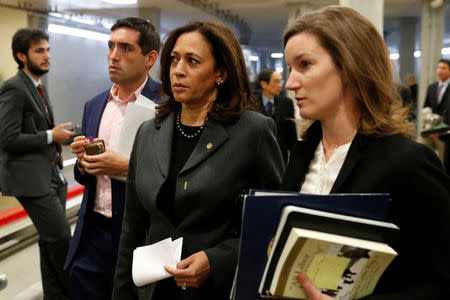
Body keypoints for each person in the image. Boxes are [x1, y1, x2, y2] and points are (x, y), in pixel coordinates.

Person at [282, 6, 450, 299]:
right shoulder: (302, 154)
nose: (290, 83)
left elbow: (438, 279)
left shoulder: (409, 163)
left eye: (305, 64)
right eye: (290, 69)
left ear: (350, 66)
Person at [112, 20, 284, 300]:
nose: (178, 70)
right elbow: (132, 227)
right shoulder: (149, 132)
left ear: (221, 73)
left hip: (216, 289)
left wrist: (217, 259)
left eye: (192, 61)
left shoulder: (253, 131)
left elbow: (274, 223)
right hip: (153, 290)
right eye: (174, 60)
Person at [64, 17, 162, 299]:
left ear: (149, 58)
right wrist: (84, 162)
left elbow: (179, 174)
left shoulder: (167, 105)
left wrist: (127, 168)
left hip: (140, 234)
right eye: (110, 46)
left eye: (126, 48)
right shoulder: (94, 105)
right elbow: (87, 176)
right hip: (92, 233)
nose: (114, 55)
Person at [0, 28, 74, 299]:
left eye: (48, 50)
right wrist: (49, 135)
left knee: (49, 239)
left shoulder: (37, 86)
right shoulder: (14, 87)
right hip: (29, 179)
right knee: (60, 236)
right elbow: (6, 138)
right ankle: (69, 292)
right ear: (22, 56)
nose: (47, 56)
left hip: (49, 173)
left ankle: (55, 294)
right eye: (39, 51)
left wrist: (56, 135)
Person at [255, 68, 297, 163]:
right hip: (257, 157)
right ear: (264, 84)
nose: (280, 85)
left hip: (280, 157)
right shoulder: (251, 103)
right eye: (276, 82)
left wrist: (295, 159)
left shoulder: (286, 103)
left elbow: (291, 133)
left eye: (280, 81)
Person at [422, 59, 450, 161]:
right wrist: (428, 124)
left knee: (443, 161)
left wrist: (440, 127)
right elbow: (426, 107)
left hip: (446, 132)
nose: (439, 70)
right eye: (438, 68)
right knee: (421, 150)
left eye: (443, 68)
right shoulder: (432, 87)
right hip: (431, 129)